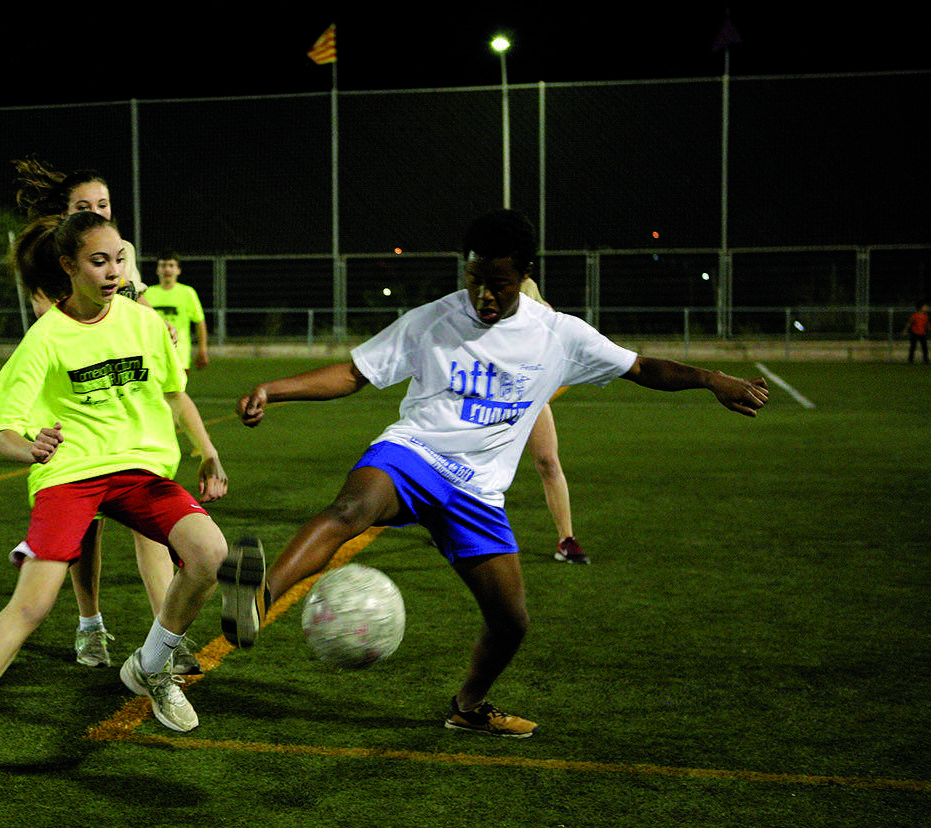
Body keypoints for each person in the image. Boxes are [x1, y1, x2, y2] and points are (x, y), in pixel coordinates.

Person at [219, 209, 769, 738]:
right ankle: (257, 603)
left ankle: (468, 707)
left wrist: (710, 379)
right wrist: (274, 389)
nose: (483, 295)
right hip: (415, 454)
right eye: (475, 279)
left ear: (525, 274)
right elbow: (354, 373)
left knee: (511, 622)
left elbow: (642, 366)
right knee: (350, 509)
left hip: (479, 491)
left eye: (498, 284)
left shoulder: (558, 334)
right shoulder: (433, 319)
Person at [0, 211, 230, 789]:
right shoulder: (45, 338)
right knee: (32, 605)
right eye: (99, 262)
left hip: (137, 472)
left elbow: (175, 395)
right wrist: (30, 447)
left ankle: (150, 668)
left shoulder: (144, 322)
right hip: (71, 475)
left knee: (210, 553)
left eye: (119, 258)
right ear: (69, 267)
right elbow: (5, 432)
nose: (113, 271)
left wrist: (208, 451)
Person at [12, 157, 205, 675]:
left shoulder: (120, 252)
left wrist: (154, 325)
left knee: (153, 524)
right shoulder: (51, 260)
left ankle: (166, 639)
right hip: (76, 402)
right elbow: (54, 319)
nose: (97, 212)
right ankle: (90, 624)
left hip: (125, 399)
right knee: (85, 532)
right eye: (85, 205)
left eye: (104, 204)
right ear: (66, 213)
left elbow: (133, 304)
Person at [518, 277, 587, 564]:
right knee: (463, 463)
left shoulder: (529, 290)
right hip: (487, 392)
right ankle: (449, 525)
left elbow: (550, 321)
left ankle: (566, 540)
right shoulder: (484, 292)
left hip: (528, 392)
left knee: (548, 461)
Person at [142, 251, 210, 371]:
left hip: (179, 356)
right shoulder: (147, 293)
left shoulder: (187, 293)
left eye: (171, 265)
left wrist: (202, 349)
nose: (167, 269)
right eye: (163, 265)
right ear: (157, 270)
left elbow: (199, 322)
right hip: (153, 355)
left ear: (178, 270)